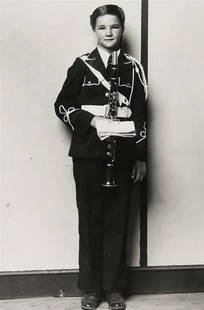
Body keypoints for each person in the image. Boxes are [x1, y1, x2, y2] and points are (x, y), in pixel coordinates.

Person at [54, 4, 147, 310]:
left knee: (118, 222)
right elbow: (62, 105)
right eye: (103, 27)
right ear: (94, 30)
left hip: (122, 156)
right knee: (91, 222)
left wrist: (140, 158)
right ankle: (92, 288)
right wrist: (90, 121)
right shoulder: (82, 65)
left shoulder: (133, 68)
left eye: (115, 27)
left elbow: (142, 116)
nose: (109, 33)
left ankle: (114, 288)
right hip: (89, 157)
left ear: (122, 29)